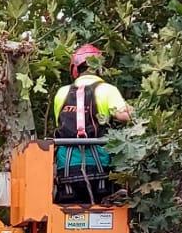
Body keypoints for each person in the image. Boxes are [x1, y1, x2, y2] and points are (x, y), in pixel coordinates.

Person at [51, 44, 136, 206]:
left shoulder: (61, 93)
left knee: (69, 213)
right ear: (99, 68)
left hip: (67, 168)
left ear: (75, 69)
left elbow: (61, 125)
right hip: (100, 168)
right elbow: (124, 115)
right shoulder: (107, 90)